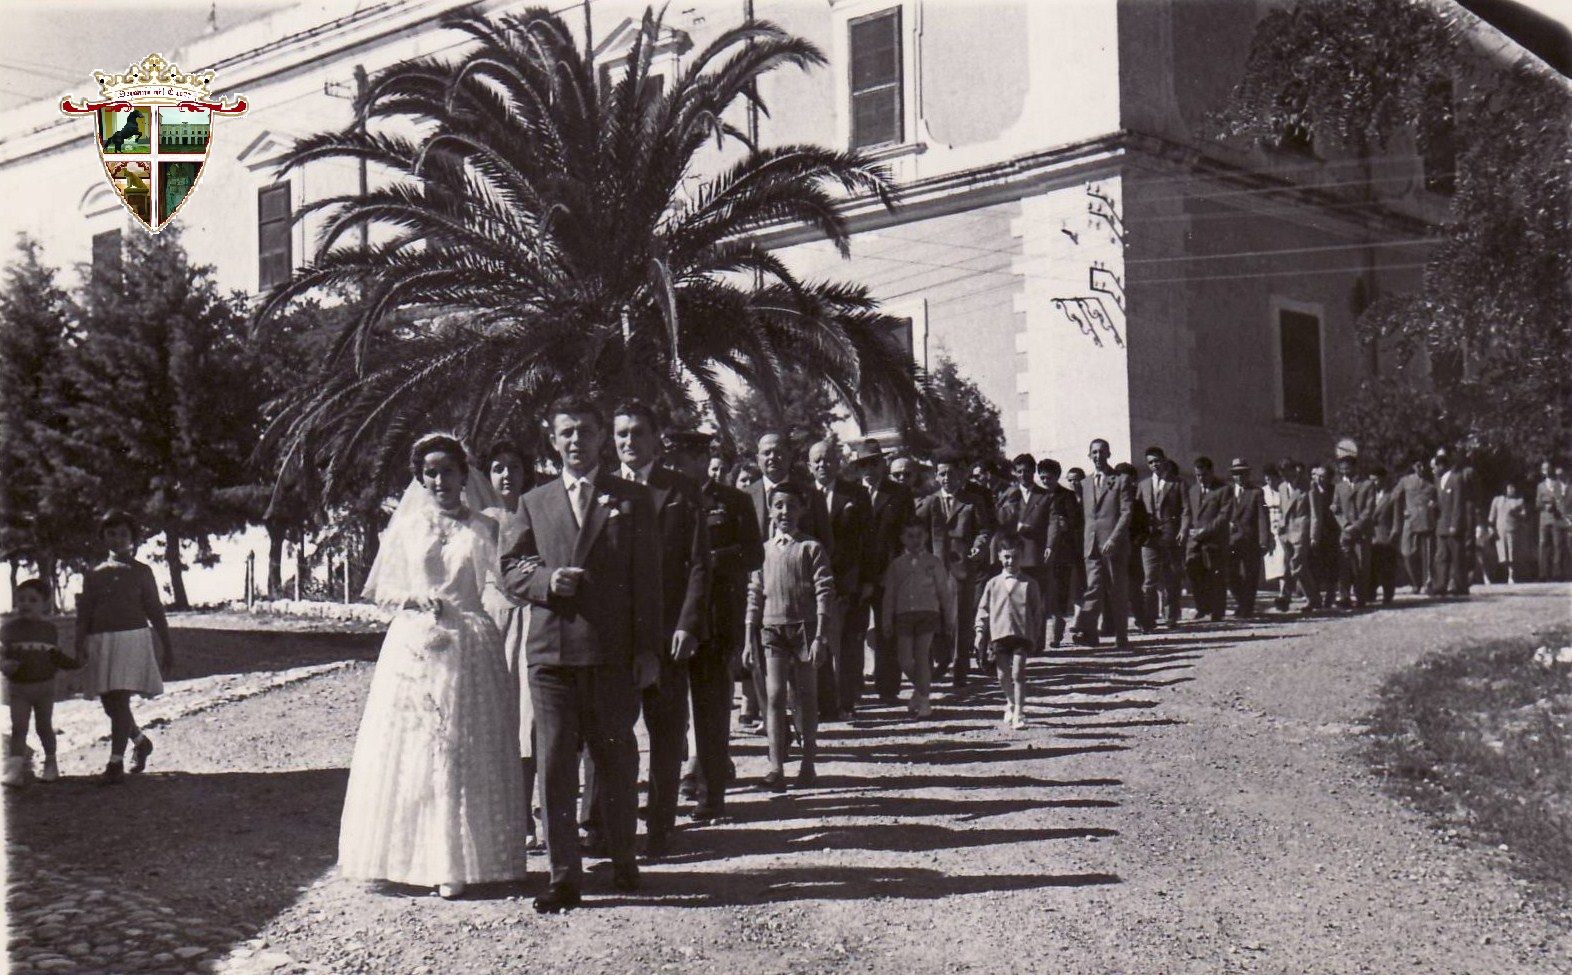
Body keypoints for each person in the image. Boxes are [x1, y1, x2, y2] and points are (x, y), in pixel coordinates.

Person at [340, 434, 526, 900]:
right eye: (430, 473)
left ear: (464, 475)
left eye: (447, 471)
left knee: (466, 747)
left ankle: (462, 862)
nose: (439, 480)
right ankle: (408, 859)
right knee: (414, 747)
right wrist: (413, 597)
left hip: (470, 642)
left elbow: (505, 582)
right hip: (414, 643)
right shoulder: (408, 527)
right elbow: (382, 589)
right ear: (421, 479)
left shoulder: (485, 527)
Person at [503, 399, 661, 913]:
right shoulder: (534, 501)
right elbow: (511, 569)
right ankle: (564, 876)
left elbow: (649, 581)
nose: (577, 441)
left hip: (612, 655)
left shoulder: (632, 498)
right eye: (567, 432)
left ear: (601, 438)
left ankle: (623, 858)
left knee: (617, 760)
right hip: (552, 657)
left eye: (586, 431)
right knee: (554, 766)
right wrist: (547, 581)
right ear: (553, 440)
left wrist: (648, 650)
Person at [593, 402, 710, 858]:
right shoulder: (600, 488)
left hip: (666, 632)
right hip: (615, 635)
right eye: (621, 433)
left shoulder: (681, 490)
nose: (629, 441)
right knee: (609, 732)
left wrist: (688, 623)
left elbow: (698, 563)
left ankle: (660, 827)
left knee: (666, 733)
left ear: (656, 436)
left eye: (638, 432)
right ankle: (604, 826)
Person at [673, 434, 761, 822]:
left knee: (711, 708)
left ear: (700, 458)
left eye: (682, 459)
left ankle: (711, 797)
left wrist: (709, 560)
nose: (675, 467)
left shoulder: (733, 501)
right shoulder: (663, 499)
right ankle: (669, 795)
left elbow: (753, 553)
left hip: (715, 617)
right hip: (673, 617)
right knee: (671, 711)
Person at [744, 483, 834, 792]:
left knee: (806, 697)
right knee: (774, 696)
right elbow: (755, 594)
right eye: (779, 506)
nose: (785, 512)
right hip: (772, 629)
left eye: (792, 506)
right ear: (770, 511)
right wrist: (748, 637)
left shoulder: (811, 548)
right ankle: (776, 767)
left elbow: (824, 591)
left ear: (802, 510)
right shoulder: (764, 551)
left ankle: (808, 763)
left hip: (804, 629)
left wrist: (820, 636)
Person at [76, 510, 174, 785]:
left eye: (123, 534)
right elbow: (85, 613)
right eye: (111, 533)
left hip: (132, 640)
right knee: (110, 704)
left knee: (120, 700)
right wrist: (79, 642)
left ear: (133, 538)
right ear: (102, 537)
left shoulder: (142, 572)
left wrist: (167, 645)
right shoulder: (93, 575)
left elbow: (155, 610)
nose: (117, 539)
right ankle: (140, 742)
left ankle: (115, 762)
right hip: (101, 641)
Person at [479, 440, 542, 851]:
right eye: (498, 467)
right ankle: (498, 814)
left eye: (514, 467)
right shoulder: (479, 520)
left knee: (529, 719)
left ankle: (527, 812)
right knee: (495, 716)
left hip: (532, 617)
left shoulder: (536, 511)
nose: (506, 475)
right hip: (492, 618)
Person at [805, 439, 868, 718]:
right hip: (811, 582)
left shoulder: (856, 494)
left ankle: (846, 702)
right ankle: (825, 703)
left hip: (846, 580)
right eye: (817, 460)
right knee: (817, 641)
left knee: (845, 645)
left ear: (838, 462)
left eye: (828, 459)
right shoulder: (803, 496)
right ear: (809, 465)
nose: (823, 464)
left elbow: (867, 540)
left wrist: (865, 580)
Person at [741, 434, 801, 727]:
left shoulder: (806, 492)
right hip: (756, 584)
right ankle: (770, 720)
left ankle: (799, 719)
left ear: (789, 456)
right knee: (759, 654)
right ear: (757, 459)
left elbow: (824, 541)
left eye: (778, 452)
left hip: (794, 588)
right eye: (766, 453)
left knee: (797, 661)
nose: (772, 457)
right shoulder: (744, 495)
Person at [852, 439, 916, 705]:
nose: (868, 469)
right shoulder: (851, 493)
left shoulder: (899, 494)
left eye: (874, 463)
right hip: (856, 575)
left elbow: (907, 534)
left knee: (886, 630)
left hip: (888, 573)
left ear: (883, 464)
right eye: (863, 465)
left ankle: (888, 688)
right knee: (854, 631)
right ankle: (853, 688)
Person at [916, 452, 988, 686]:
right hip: (934, 570)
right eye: (942, 474)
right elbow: (916, 531)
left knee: (960, 620)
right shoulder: (929, 502)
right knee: (933, 617)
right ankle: (941, 660)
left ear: (961, 475)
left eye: (951, 473)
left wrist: (979, 546)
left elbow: (984, 531)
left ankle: (960, 669)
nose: (947, 478)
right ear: (936, 476)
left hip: (962, 568)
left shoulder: (972, 501)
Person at [3, 580, 81, 786]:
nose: (26, 604)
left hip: (45, 688)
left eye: (33, 600)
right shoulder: (9, 628)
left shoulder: (49, 629)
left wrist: (75, 664)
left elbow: (55, 656)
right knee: (19, 727)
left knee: (44, 726)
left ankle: (51, 764)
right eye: (21, 599)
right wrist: (4, 665)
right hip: (19, 688)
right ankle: (15, 770)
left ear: (45, 604)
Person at [882, 521, 955, 717]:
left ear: (926, 537)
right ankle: (921, 692)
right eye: (910, 536)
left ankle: (923, 700)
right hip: (904, 615)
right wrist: (887, 619)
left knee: (922, 655)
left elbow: (944, 592)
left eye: (919, 536)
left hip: (928, 613)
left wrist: (949, 618)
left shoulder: (934, 562)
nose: (915, 540)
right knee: (905, 659)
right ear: (902, 539)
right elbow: (890, 594)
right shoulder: (897, 565)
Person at [975, 532, 1043, 731]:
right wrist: (979, 631)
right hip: (1000, 634)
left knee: (1018, 673)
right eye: (1006, 557)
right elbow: (983, 609)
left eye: (1015, 557)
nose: (1010, 561)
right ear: (999, 556)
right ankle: (1011, 701)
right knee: (1003, 675)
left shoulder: (1029, 583)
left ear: (1022, 556)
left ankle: (1019, 712)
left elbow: (1037, 612)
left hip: (1022, 635)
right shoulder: (993, 584)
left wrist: (1036, 635)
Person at [1071, 439, 1134, 648]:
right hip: (1091, 545)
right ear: (1089, 455)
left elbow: (1126, 513)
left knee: (1117, 590)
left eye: (1101, 452)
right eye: (1094, 452)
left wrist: (1114, 539)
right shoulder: (1084, 484)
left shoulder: (1121, 480)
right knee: (1094, 587)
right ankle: (1088, 631)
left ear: (1108, 454)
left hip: (1114, 545)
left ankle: (1121, 637)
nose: (1098, 456)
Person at [1139, 450, 1187, 629]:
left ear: (1165, 461)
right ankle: (1148, 618)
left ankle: (1171, 616)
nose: (1155, 465)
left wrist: (1183, 529)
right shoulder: (1143, 485)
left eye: (1157, 461)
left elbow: (1186, 510)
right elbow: (1137, 510)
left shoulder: (1177, 483)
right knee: (1149, 578)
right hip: (1149, 538)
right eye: (1151, 462)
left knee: (1170, 577)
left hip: (1170, 535)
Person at [1037, 459, 1083, 647]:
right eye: (1042, 478)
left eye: (1048, 478)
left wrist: (1065, 525)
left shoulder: (1067, 496)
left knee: (1058, 591)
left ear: (1057, 476)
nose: (1045, 481)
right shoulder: (1037, 495)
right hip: (1039, 549)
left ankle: (1056, 630)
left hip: (1062, 551)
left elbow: (1076, 521)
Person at [1182, 457, 1230, 622]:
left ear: (1211, 472)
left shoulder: (1223, 489)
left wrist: (1206, 531)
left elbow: (1224, 516)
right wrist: (1189, 529)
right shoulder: (1193, 490)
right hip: (1194, 540)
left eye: (1204, 475)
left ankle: (1217, 611)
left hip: (1214, 540)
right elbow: (1188, 513)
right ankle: (1202, 607)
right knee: (1194, 573)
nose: (1201, 478)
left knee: (1215, 575)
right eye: (1197, 475)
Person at [1223, 459, 1272, 618]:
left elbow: (1263, 517)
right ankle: (1243, 602)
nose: (1239, 477)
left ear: (1248, 474)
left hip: (1250, 540)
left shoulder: (1256, 492)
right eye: (1236, 473)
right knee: (1229, 574)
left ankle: (1247, 608)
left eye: (1243, 473)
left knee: (1251, 575)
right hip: (1231, 541)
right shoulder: (1227, 491)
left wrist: (1264, 541)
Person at [1431, 448, 1476, 597]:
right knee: (1441, 557)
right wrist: (1434, 506)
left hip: (1452, 526)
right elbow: (1441, 502)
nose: (1434, 470)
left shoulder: (1457, 479)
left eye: (1435, 467)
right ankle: (1440, 586)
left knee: (1457, 558)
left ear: (1442, 466)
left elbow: (1458, 503)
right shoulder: (1438, 481)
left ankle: (1460, 586)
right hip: (1441, 525)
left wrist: (1455, 524)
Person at [1332, 455, 1375, 608]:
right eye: (1342, 469)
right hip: (1345, 532)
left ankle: (1360, 597)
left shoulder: (1368, 484)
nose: (1345, 471)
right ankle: (1344, 597)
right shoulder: (1339, 486)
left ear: (1355, 467)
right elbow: (1335, 508)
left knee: (1362, 565)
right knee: (1344, 565)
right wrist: (1345, 525)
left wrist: (1356, 526)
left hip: (1361, 532)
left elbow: (1369, 509)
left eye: (1347, 468)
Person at [1276, 460, 1319, 612]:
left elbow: (1315, 513)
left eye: (1287, 471)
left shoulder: (1308, 486)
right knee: (1293, 565)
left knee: (1296, 564)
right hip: (1285, 532)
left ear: (1295, 470)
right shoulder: (1282, 487)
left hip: (1301, 530)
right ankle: (1313, 598)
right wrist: (1279, 525)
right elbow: (1282, 509)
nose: (1284, 475)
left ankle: (1286, 597)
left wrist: (1314, 535)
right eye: (1282, 473)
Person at [1393, 457, 1438, 593]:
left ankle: (1428, 583)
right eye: (1418, 465)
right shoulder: (1405, 481)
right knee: (1406, 552)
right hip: (1410, 521)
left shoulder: (1432, 483)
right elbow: (1394, 497)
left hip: (1427, 521)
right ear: (1413, 466)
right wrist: (1402, 511)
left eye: (1423, 466)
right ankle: (1414, 582)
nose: (1421, 468)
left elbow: (1438, 500)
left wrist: (1434, 505)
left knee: (1428, 554)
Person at [1307, 463, 1341, 610]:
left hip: (1331, 533)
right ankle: (1315, 598)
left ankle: (1330, 597)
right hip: (1315, 534)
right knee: (1314, 567)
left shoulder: (1334, 491)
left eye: (1323, 476)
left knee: (1331, 567)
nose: (1319, 479)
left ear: (1329, 478)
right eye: (1317, 476)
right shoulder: (1310, 490)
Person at [1369, 467, 1401, 604]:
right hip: (1370, 536)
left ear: (1383, 479)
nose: (1373, 483)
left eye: (1375, 480)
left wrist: (1393, 535)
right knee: (1371, 566)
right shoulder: (1369, 495)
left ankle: (1388, 594)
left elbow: (1397, 519)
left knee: (1386, 567)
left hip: (1385, 535)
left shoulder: (1392, 496)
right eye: (1371, 480)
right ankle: (1370, 593)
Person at [1488, 481, 1530, 584]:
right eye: (1509, 487)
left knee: (1512, 553)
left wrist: (1516, 513)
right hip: (1500, 531)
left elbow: (1524, 515)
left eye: (1513, 487)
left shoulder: (1519, 501)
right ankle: (1502, 574)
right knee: (1502, 554)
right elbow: (1491, 516)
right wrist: (1491, 527)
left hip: (1513, 530)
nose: (1511, 490)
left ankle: (1511, 575)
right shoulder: (1497, 500)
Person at [1536, 461, 1564, 581]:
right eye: (1544, 469)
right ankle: (1543, 574)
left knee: (1557, 545)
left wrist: (1554, 505)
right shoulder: (1540, 486)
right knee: (1543, 545)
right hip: (1544, 519)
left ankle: (1557, 574)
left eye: (1548, 468)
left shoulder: (1558, 484)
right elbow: (1537, 503)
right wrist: (1545, 505)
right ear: (1542, 471)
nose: (1546, 470)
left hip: (1556, 518)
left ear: (1551, 469)